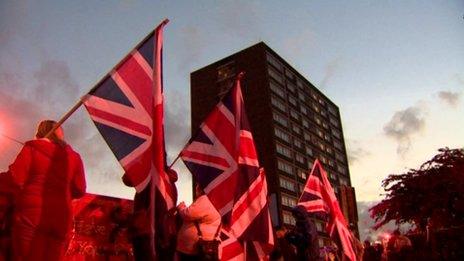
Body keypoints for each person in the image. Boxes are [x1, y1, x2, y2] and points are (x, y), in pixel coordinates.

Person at [4, 120, 86, 260]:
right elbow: (80, 189)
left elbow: (16, 177)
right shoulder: (74, 157)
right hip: (61, 218)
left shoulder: (32, 148)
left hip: (31, 215)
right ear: (60, 134)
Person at [176, 184, 221, 260]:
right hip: (210, 243)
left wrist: (181, 206)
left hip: (195, 247)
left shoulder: (205, 199)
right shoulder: (218, 199)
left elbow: (188, 214)